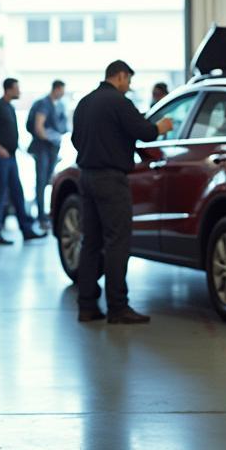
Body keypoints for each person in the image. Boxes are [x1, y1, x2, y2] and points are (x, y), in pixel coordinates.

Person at [71, 60, 173, 325]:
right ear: (119, 76)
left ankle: (87, 306)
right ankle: (118, 307)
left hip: (86, 177)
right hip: (111, 180)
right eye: (128, 81)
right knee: (117, 242)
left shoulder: (84, 103)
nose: (128, 87)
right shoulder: (118, 102)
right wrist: (160, 128)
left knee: (91, 243)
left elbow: (75, 140)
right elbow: (144, 132)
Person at [0, 78, 45, 245]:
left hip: (11, 157)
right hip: (1, 157)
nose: (19, 92)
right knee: (0, 194)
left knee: (17, 193)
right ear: (8, 89)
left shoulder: (10, 107)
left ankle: (26, 230)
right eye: (17, 88)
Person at [27, 79, 68, 229]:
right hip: (43, 147)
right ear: (57, 89)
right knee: (41, 181)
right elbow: (39, 127)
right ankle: (41, 216)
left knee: (47, 181)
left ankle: (47, 214)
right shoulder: (44, 103)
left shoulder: (60, 105)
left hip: (52, 148)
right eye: (62, 90)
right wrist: (49, 137)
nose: (63, 94)